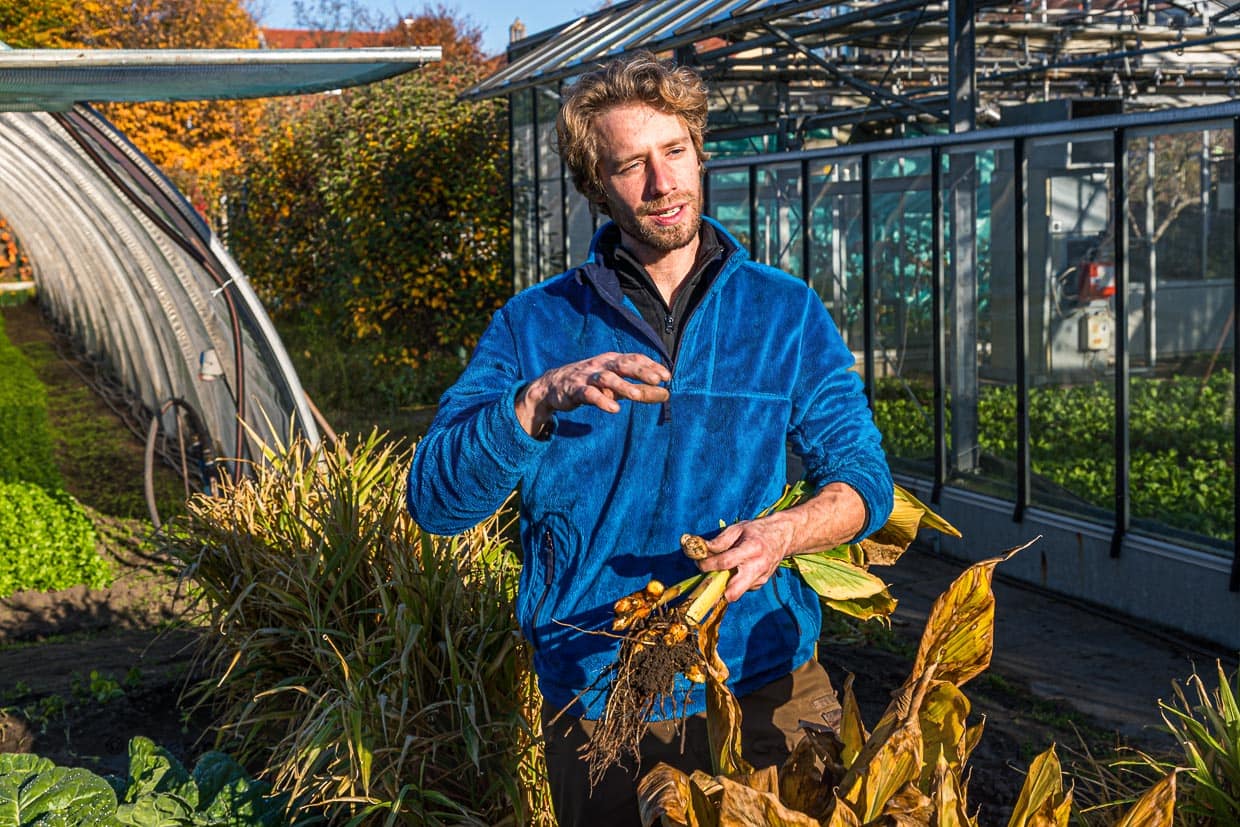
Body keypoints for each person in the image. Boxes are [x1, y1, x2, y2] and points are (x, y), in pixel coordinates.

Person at [406, 51, 892, 827]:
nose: (663, 184)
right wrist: (534, 400)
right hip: (604, 698)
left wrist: (785, 533)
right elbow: (434, 501)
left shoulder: (784, 313)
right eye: (632, 165)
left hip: (767, 681)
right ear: (596, 184)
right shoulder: (535, 325)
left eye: (674, 152)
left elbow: (863, 477)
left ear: (700, 150)